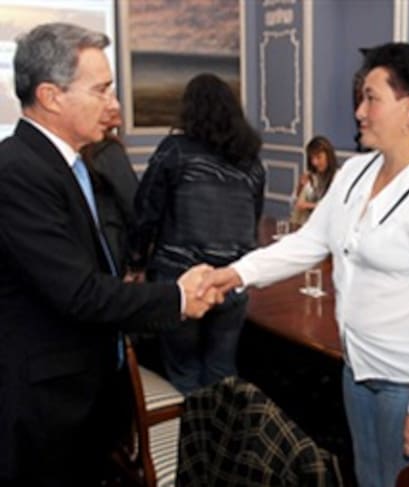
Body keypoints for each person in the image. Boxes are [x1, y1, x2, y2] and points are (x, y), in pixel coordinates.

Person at [198, 42, 409, 487]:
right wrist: (235, 274)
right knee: (369, 478)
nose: (359, 112)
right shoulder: (355, 173)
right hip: (360, 367)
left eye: (371, 98)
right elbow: (309, 242)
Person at [0, 23, 220, 487]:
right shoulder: (17, 171)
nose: (114, 105)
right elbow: (79, 293)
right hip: (49, 408)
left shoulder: (67, 164)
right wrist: (178, 297)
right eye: (101, 90)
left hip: (89, 394)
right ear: (51, 96)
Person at [133, 73, 265, 395]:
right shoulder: (250, 162)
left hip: (181, 279)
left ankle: (193, 428)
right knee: (222, 371)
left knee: (184, 371)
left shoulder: (175, 151)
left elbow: (146, 211)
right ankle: (220, 427)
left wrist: (135, 263)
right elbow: (254, 218)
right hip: (231, 279)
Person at [80, 102, 139, 278]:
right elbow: (132, 201)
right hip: (110, 243)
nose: (115, 106)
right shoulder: (107, 150)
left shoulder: (78, 150)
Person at [290, 135, 338, 226]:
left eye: (319, 157)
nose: (314, 162)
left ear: (328, 156)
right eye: (312, 158)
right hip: (307, 225)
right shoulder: (311, 176)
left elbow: (335, 207)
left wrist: (308, 205)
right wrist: (300, 186)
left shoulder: (338, 177)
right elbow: (293, 204)